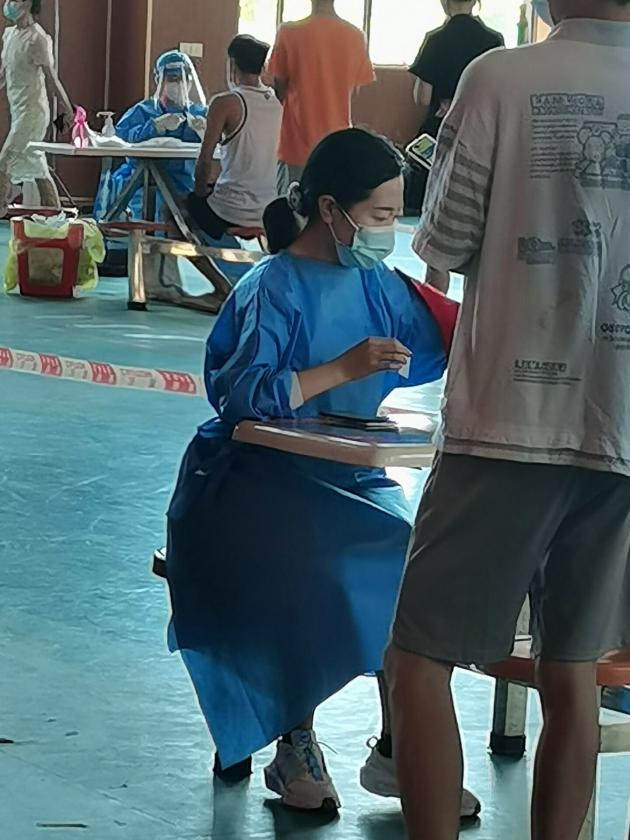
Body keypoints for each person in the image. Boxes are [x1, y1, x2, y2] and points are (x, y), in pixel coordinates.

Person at [163, 128, 477, 816]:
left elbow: (448, 337)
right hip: (253, 480)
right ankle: (295, 741)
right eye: (381, 216)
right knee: (309, 566)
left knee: (413, 561)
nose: (388, 232)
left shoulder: (377, 283)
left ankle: (402, 747)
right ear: (331, 209)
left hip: (349, 478)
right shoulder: (269, 287)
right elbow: (243, 396)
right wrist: (341, 369)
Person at [387, 2, 630, 839]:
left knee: (418, 659)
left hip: (508, 422)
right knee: (572, 672)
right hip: (622, 424)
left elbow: (447, 240)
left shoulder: (498, 79)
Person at [407, 0, 503, 293]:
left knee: (437, 222)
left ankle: (436, 301)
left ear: (444, 2)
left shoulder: (435, 39)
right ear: (475, 2)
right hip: (482, 134)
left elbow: (422, 97)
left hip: (439, 133)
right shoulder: (494, 40)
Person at [268, 0, 375, 193]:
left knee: (292, 205)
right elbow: (353, 92)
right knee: (329, 204)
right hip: (337, 145)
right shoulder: (356, 36)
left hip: (296, 143)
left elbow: (279, 89)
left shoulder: (288, 33)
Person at [93, 50, 207, 221]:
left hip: (184, 183)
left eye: (185, 78)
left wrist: (205, 131)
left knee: (187, 220)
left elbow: (221, 143)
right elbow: (119, 140)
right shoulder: (143, 110)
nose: (180, 84)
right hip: (141, 181)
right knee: (144, 218)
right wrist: (154, 126)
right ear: (159, 80)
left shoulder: (199, 113)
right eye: (173, 78)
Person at [189, 34, 282, 240]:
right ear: (262, 67)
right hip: (268, 208)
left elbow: (205, 159)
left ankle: (201, 262)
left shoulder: (225, 103)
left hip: (230, 211)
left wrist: (200, 192)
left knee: (175, 209)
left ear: (232, 65)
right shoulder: (278, 101)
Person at [0, 0, 73, 214]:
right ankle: (56, 216)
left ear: (28, 4)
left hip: (33, 114)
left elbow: (51, 78)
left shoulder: (38, 38)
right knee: (39, 169)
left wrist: (67, 109)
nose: (9, 4)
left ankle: (1, 207)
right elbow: (4, 74)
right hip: (18, 110)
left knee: (4, 161)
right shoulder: (9, 35)